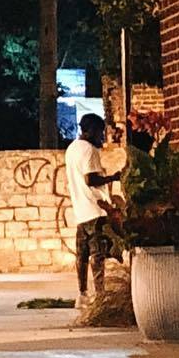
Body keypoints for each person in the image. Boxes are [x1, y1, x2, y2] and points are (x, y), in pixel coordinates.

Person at [63, 112, 120, 309]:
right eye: (100, 132)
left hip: (80, 210)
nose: (102, 137)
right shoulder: (89, 150)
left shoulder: (72, 149)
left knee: (82, 255)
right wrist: (113, 178)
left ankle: (82, 294)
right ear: (92, 130)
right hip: (95, 209)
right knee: (98, 255)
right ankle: (100, 295)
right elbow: (91, 179)